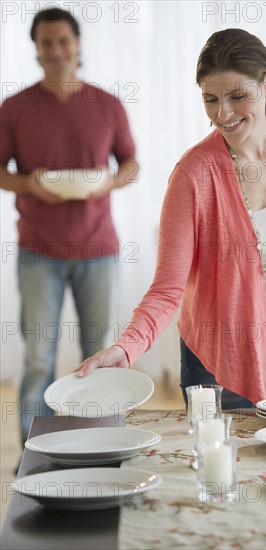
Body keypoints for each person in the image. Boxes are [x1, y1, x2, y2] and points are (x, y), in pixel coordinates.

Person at [75, 28, 266, 409]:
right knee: (231, 466)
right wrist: (127, 349)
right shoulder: (193, 175)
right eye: (211, 99)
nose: (222, 114)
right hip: (221, 358)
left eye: (237, 96)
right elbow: (166, 290)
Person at [0, 7, 138, 443]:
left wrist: (108, 184)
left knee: (98, 356)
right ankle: (33, 449)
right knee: (39, 357)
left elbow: (132, 164)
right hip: (38, 251)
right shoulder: (15, 107)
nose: (57, 50)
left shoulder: (108, 104)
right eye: (47, 43)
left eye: (63, 41)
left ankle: (99, 441)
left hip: (100, 249)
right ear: (36, 49)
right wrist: (30, 185)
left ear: (78, 44)